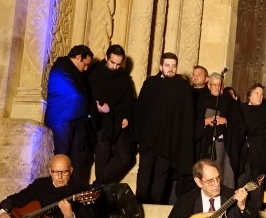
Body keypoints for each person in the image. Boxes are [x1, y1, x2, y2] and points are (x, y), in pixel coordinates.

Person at [134, 52, 196, 204]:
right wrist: (139, 137)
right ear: (161, 66)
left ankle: (155, 206)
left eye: (174, 66)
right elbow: (140, 110)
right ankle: (139, 204)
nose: (171, 69)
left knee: (161, 174)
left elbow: (186, 116)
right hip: (149, 138)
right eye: (167, 65)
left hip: (168, 140)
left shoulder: (182, 87)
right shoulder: (150, 83)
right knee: (145, 171)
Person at [89, 43, 138, 185]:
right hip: (101, 124)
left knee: (126, 157)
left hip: (119, 123)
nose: (115, 67)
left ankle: (97, 185)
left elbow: (129, 101)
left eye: (118, 64)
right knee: (102, 158)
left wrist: (127, 117)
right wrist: (97, 108)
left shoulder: (124, 78)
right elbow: (86, 97)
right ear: (106, 57)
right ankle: (99, 191)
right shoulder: (94, 74)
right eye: (112, 62)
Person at [45, 44, 95, 178]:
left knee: (77, 157)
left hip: (75, 118)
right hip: (62, 118)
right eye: (85, 64)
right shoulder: (62, 67)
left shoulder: (77, 73)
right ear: (78, 57)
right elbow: (75, 95)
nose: (86, 68)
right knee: (62, 155)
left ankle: (72, 187)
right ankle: (59, 186)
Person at [194, 72, 244, 188]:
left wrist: (226, 121)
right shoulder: (202, 100)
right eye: (214, 85)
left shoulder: (229, 101)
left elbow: (240, 123)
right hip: (206, 144)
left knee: (226, 175)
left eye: (219, 85)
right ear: (209, 85)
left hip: (225, 143)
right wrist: (205, 121)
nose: (217, 87)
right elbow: (193, 121)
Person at [240, 83, 266, 183]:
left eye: (262, 94)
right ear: (249, 95)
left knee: (255, 184)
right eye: (257, 93)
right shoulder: (240, 109)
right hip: (241, 152)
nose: (260, 96)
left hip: (258, 153)